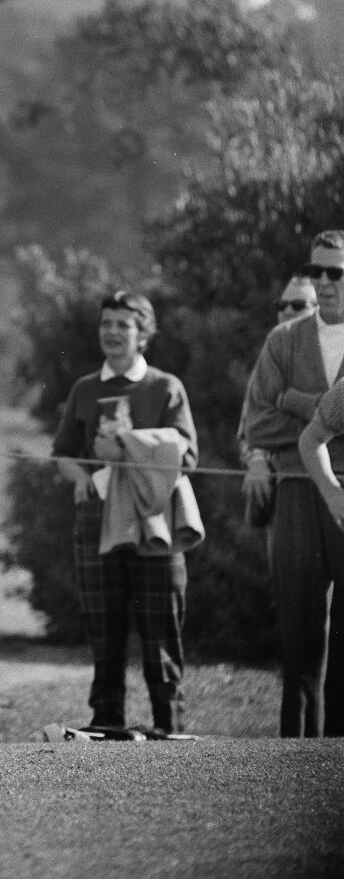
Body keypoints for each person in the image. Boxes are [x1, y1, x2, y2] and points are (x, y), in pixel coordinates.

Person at [52, 290, 198, 739]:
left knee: (161, 623)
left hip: (154, 517)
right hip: (97, 517)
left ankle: (168, 724)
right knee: (104, 624)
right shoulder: (84, 388)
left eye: (123, 325)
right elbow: (63, 453)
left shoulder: (165, 386)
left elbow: (187, 455)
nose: (112, 332)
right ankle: (106, 723)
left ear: (143, 334)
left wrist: (128, 446)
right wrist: (80, 476)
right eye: (106, 324)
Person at [245, 230, 344, 736]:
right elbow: (256, 425)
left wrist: (296, 401)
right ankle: (294, 750)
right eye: (315, 271)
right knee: (300, 636)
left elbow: (282, 413)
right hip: (297, 490)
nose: (323, 282)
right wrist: (325, 416)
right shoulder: (283, 340)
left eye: (336, 272)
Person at [238, 274, 318, 528]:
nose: (287, 311)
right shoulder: (270, 358)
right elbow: (251, 427)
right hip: (284, 490)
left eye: (298, 305)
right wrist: (257, 459)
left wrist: (289, 406)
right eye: (281, 305)